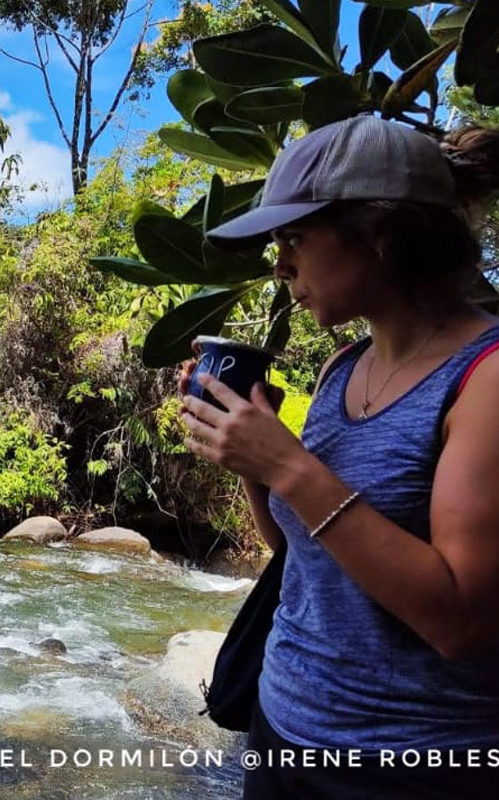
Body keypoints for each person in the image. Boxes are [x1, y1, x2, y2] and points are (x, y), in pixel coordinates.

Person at [174, 114, 499, 799]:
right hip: (281, 728)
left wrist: (290, 467)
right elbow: (301, 557)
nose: (280, 265)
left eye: (294, 238)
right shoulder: (342, 368)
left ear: (379, 234)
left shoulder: (485, 378)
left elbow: (459, 623)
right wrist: (255, 459)